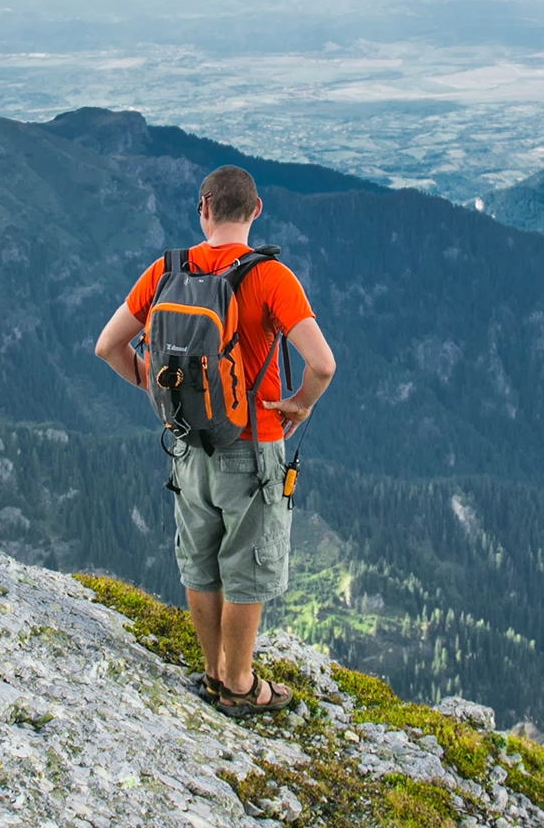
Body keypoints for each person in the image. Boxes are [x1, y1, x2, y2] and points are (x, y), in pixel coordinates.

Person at [94, 165, 337, 716]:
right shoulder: (272, 277)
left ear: (202, 208)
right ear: (255, 211)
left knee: (200, 562)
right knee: (246, 566)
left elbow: (109, 346)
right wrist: (300, 402)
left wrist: (159, 393)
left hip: (186, 444)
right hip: (253, 446)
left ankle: (211, 672)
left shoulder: (166, 270)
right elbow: (323, 364)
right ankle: (240, 684)